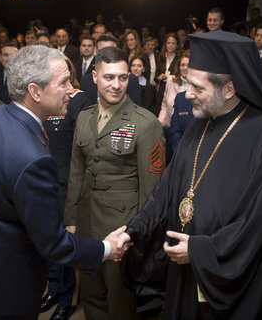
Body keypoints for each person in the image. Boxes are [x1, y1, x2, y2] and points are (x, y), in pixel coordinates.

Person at [117, 31, 262, 319]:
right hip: (184, 264)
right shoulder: (200, 120)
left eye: (196, 86)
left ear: (228, 89)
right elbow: (166, 190)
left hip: (230, 274)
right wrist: (135, 229)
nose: (187, 93)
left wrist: (201, 250)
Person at [0, 45, 128, 320]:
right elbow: (54, 244)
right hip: (12, 279)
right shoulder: (33, 160)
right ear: (35, 92)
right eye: (63, 82)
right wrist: (106, 249)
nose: (72, 89)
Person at [65, 47, 165, 320]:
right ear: (95, 76)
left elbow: (152, 192)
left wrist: (137, 234)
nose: (117, 85)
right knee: (92, 293)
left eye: (123, 78)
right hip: (86, 222)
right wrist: (71, 218)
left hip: (122, 227)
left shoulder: (145, 124)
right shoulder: (84, 116)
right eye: (109, 77)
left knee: (120, 299)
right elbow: (76, 171)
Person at [40, 57, 89, 320]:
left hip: (66, 182)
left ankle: (67, 298)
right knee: (47, 239)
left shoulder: (78, 98)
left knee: (66, 241)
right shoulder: (38, 95)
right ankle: (53, 288)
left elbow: (81, 142)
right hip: (42, 181)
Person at [79, 35, 141, 107]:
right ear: (96, 51)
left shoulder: (131, 80)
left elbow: (135, 110)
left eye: (111, 51)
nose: (106, 56)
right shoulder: (86, 81)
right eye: (102, 51)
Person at [158, 50, 190, 127]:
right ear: (179, 67)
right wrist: (160, 122)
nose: (185, 68)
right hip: (170, 126)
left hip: (189, 129)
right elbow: (165, 105)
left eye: (188, 65)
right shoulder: (171, 80)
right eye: (182, 65)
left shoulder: (196, 85)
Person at [154, 33, 179, 115]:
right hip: (161, 91)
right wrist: (159, 77)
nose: (170, 45)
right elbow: (155, 78)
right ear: (165, 44)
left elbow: (181, 76)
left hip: (173, 91)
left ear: (177, 45)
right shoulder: (160, 57)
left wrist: (173, 78)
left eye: (173, 43)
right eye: (168, 43)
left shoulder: (179, 58)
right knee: (159, 114)